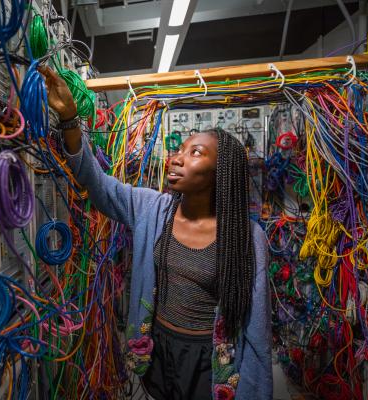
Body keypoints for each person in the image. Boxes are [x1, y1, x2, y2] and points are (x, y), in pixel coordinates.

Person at [40, 67, 272, 400]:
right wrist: (69, 122)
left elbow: (258, 334)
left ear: (220, 173)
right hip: (158, 351)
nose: (176, 158)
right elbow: (98, 184)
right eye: (180, 149)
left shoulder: (246, 238)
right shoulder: (154, 209)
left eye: (195, 153)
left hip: (210, 359)